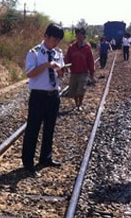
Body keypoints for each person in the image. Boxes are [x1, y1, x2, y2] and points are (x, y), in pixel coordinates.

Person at [21, 23, 66, 176]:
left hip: (53, 95)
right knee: (33, 130)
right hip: (38, 96)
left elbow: (60, 74)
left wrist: (61, 71)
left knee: (49, 128)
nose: (56, 43)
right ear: (46, 36)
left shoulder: (58, 52)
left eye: (58, 40)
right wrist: (47, 65)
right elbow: (30, 73)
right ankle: (28, 163)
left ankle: (45, 158)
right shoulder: (34, 52)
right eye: (54, 39)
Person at [64, 27, 95, 110]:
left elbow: (91, 61)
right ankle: (76, 104)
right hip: (74, 72)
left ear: (84, 36)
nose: (79, 36)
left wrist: (92, 72)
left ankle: (80, 104)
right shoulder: (72, 47)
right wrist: (66, 67)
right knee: (73, 89)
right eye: (77, 34)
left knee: (81, 89)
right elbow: (67, 58)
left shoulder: (87, 48)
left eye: (81, 34)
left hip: (83, 72)